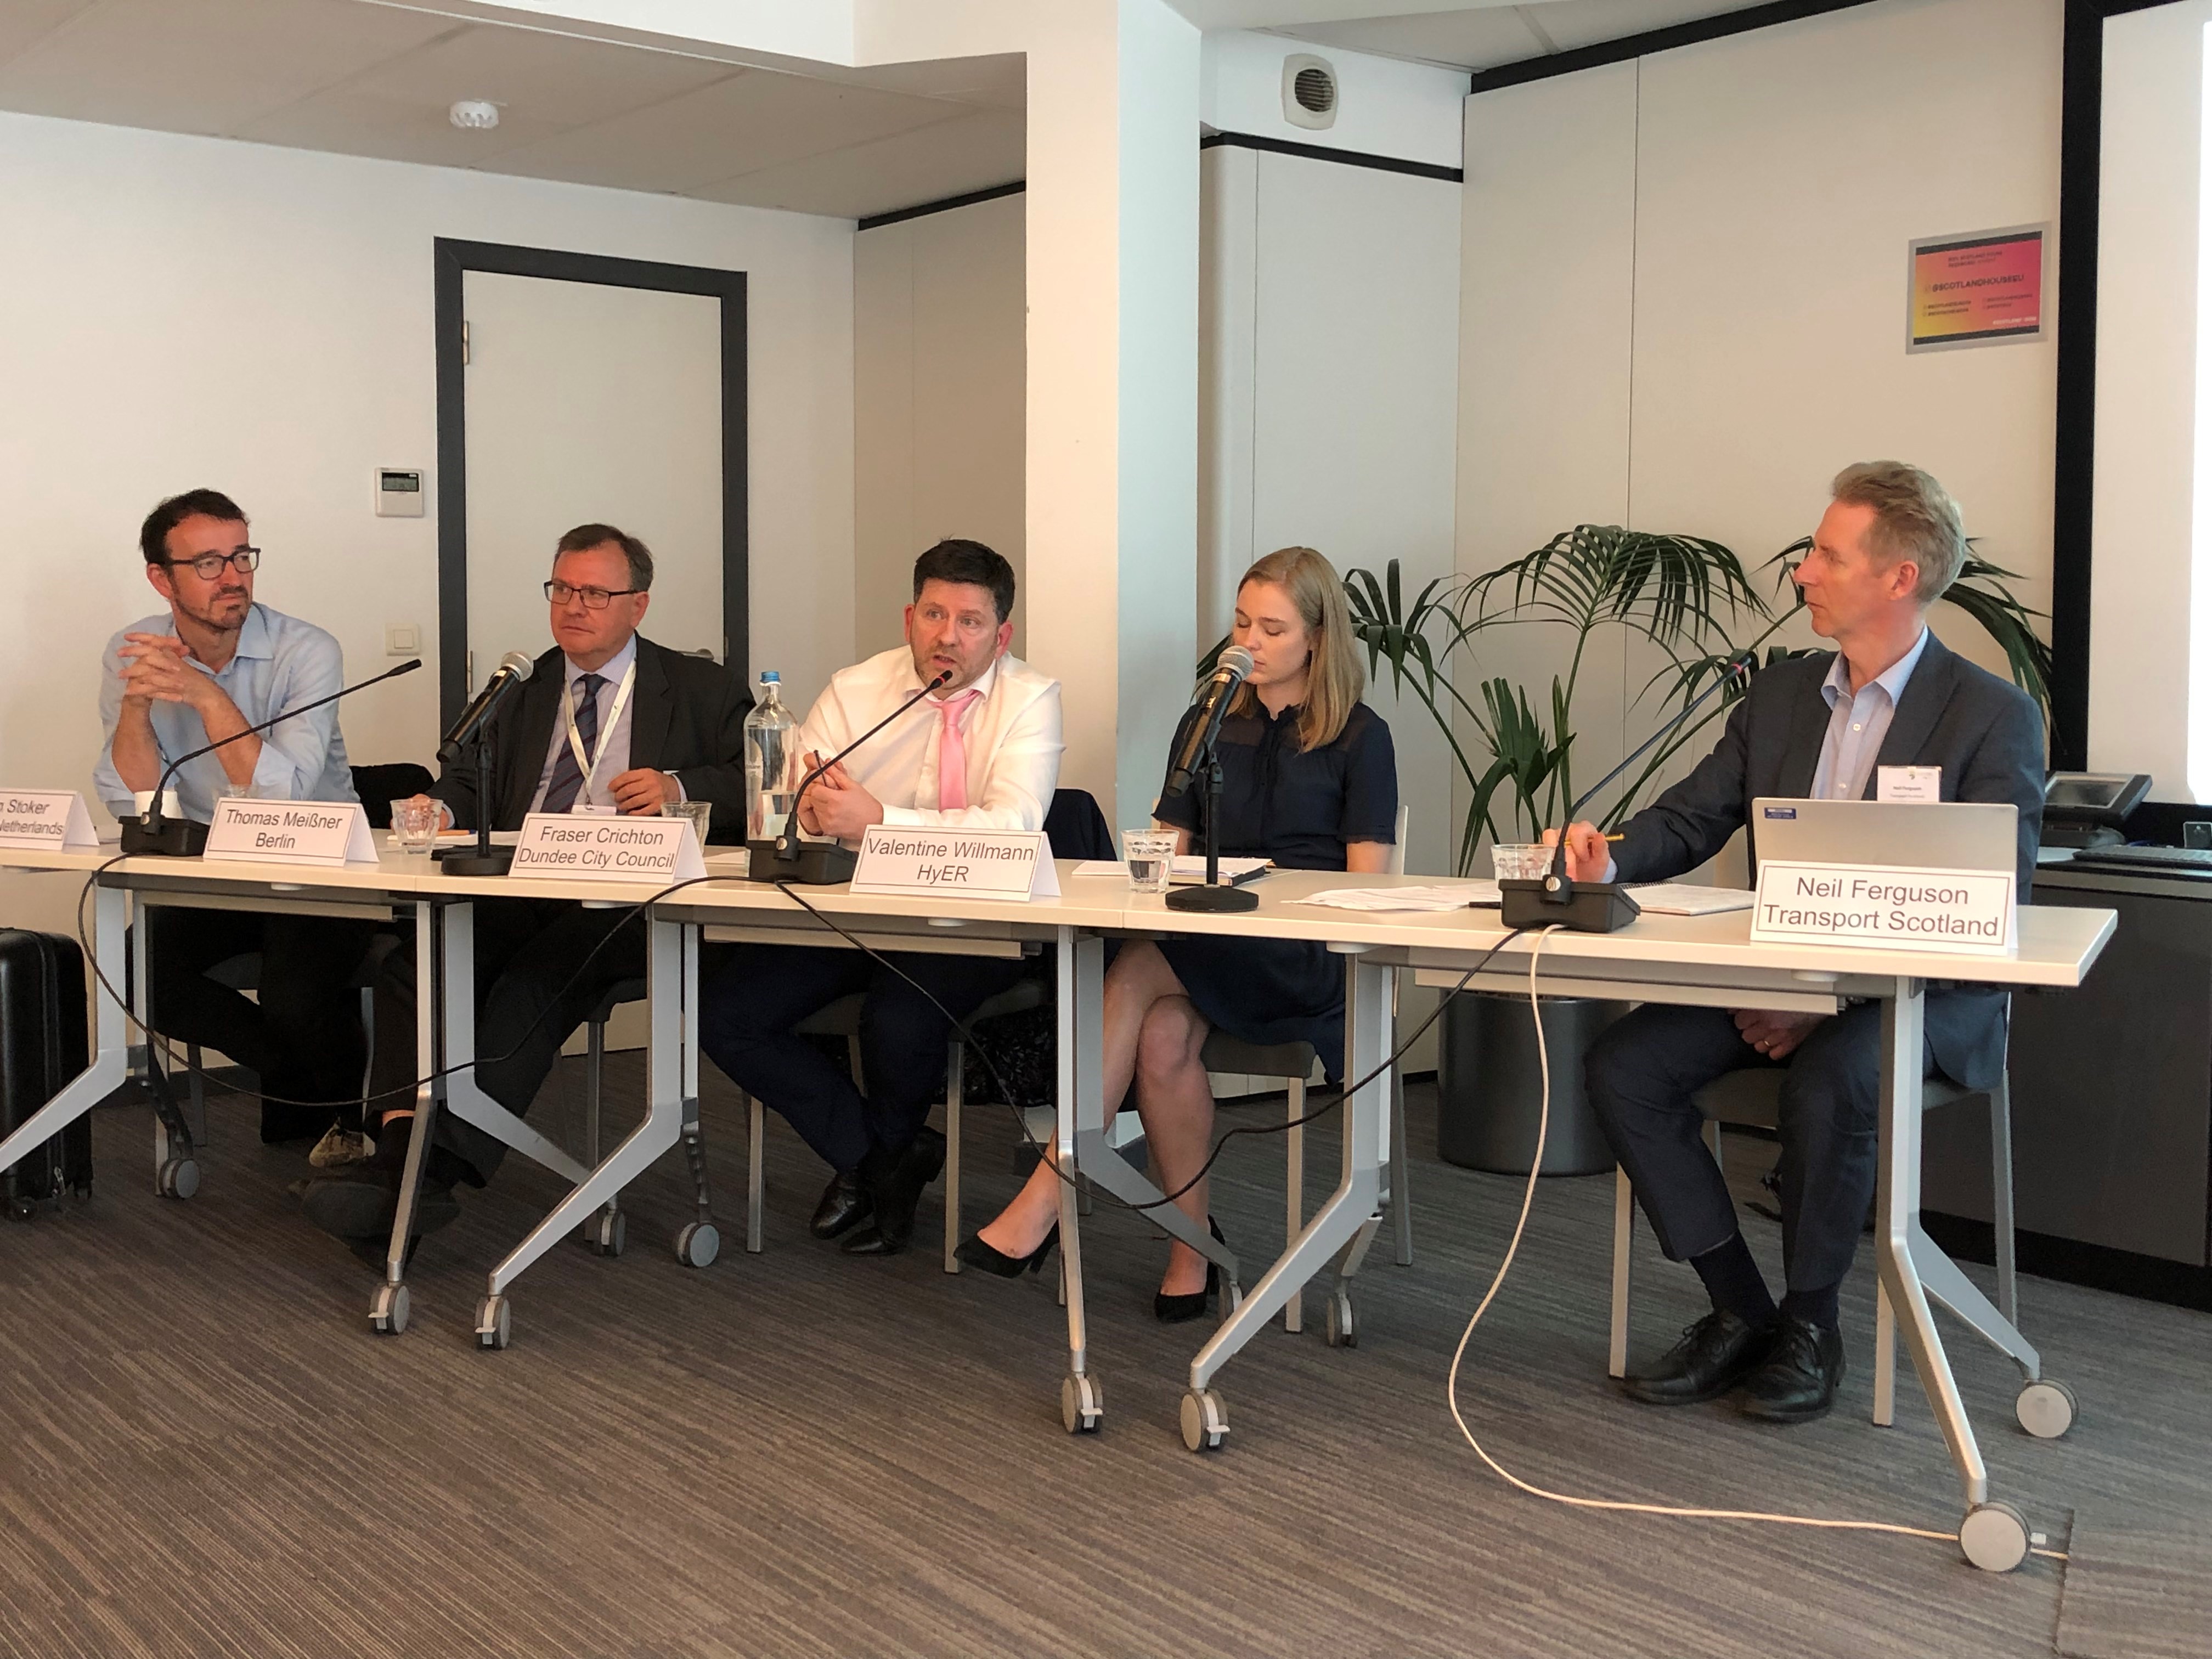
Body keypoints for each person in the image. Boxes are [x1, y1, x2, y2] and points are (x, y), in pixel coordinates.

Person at [1558, 461, 2044, 1423]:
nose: (1801, 571)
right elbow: (1693, 816)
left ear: (1898, 577)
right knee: (1624, 1065)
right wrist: (1609, 859)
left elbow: (1987, 902)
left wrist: (1830, 995)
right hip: (1780, 977)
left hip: (1925, 995)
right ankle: (1742, 1310)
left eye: (1827, 554)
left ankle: (1813, 1325)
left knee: (1832, 1078)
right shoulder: (1781, 695)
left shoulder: (1992, 715)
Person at [959, 546, 1397, 1320]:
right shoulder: (1209, 722)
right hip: (1211, 946)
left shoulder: (1362, 737)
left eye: (1272, 629)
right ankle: (1189, 1246)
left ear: (1318, 639)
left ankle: (1050, 1191)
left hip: (1304, 958)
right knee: (1160, 1037)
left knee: (1135, 970)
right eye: (1242, 623)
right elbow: (1167, 851)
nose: (1248, 643)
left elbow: (1367, 888)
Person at [300, 522, 752, 1247]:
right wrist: (441, 808)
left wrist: (678, 786)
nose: (573, 606)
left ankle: (432, 1171)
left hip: (628, 900)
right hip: (523, 885)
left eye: (595, 593)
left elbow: (756, 783)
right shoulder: (522, 686)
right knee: (414, 960)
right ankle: (399, 1152)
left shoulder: (704, 687)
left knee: (532, 981)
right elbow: (468, 781)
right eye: (562, 589)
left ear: (638, 604)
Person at [695, 539, 1062, 1257]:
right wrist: (811, 811)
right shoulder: (856, 689)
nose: (947, 636)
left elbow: (1012, 828)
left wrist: (879, 821)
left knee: (896, 1020)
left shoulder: (1031, 699)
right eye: (933, 615)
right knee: (728, 1014)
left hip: (974, 922)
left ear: (1001, 635)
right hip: (853, 912)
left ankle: (880, 1166)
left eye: (970, 621)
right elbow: (799, 799)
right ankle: (882, 1157)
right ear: (909, 617)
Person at [95, 488, 376, 1154]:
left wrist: (206, 695)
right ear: (161, 578)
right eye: (209, 563)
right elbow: (137, 800)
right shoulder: (134, 650)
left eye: (242, 557)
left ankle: (343, 1122)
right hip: (216, 875)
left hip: (323, 873)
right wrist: (135, 708)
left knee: (294, 994)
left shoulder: (307, 650)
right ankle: (298, 1082)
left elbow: (284, 796)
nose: (233, 577)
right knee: (136, 967)